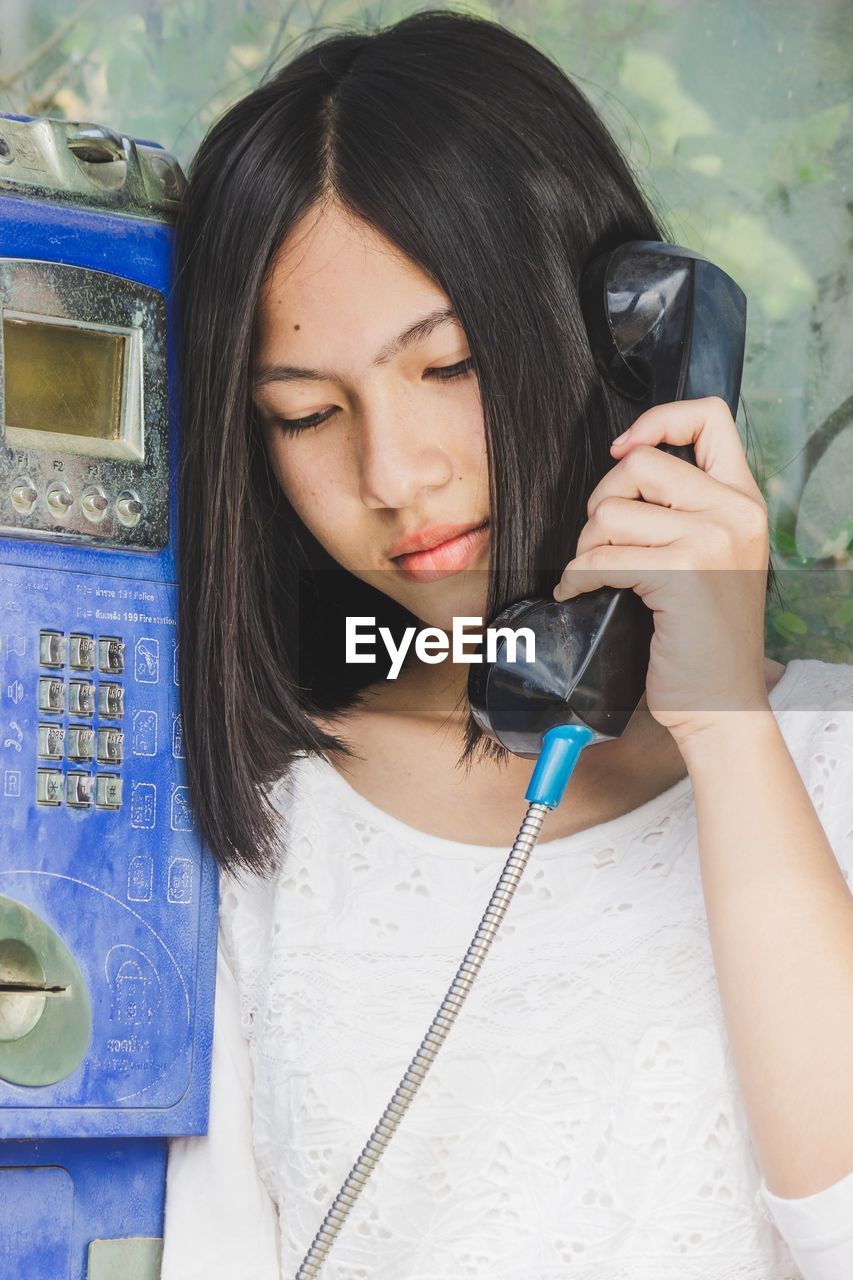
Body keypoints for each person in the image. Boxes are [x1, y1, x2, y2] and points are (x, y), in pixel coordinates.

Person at [161, 10, 853, 1278]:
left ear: (623, 337)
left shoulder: (829, 765)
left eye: (451, 365)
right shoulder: (267, 829)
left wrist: (726, 736)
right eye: (309, 415)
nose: (392, 473)